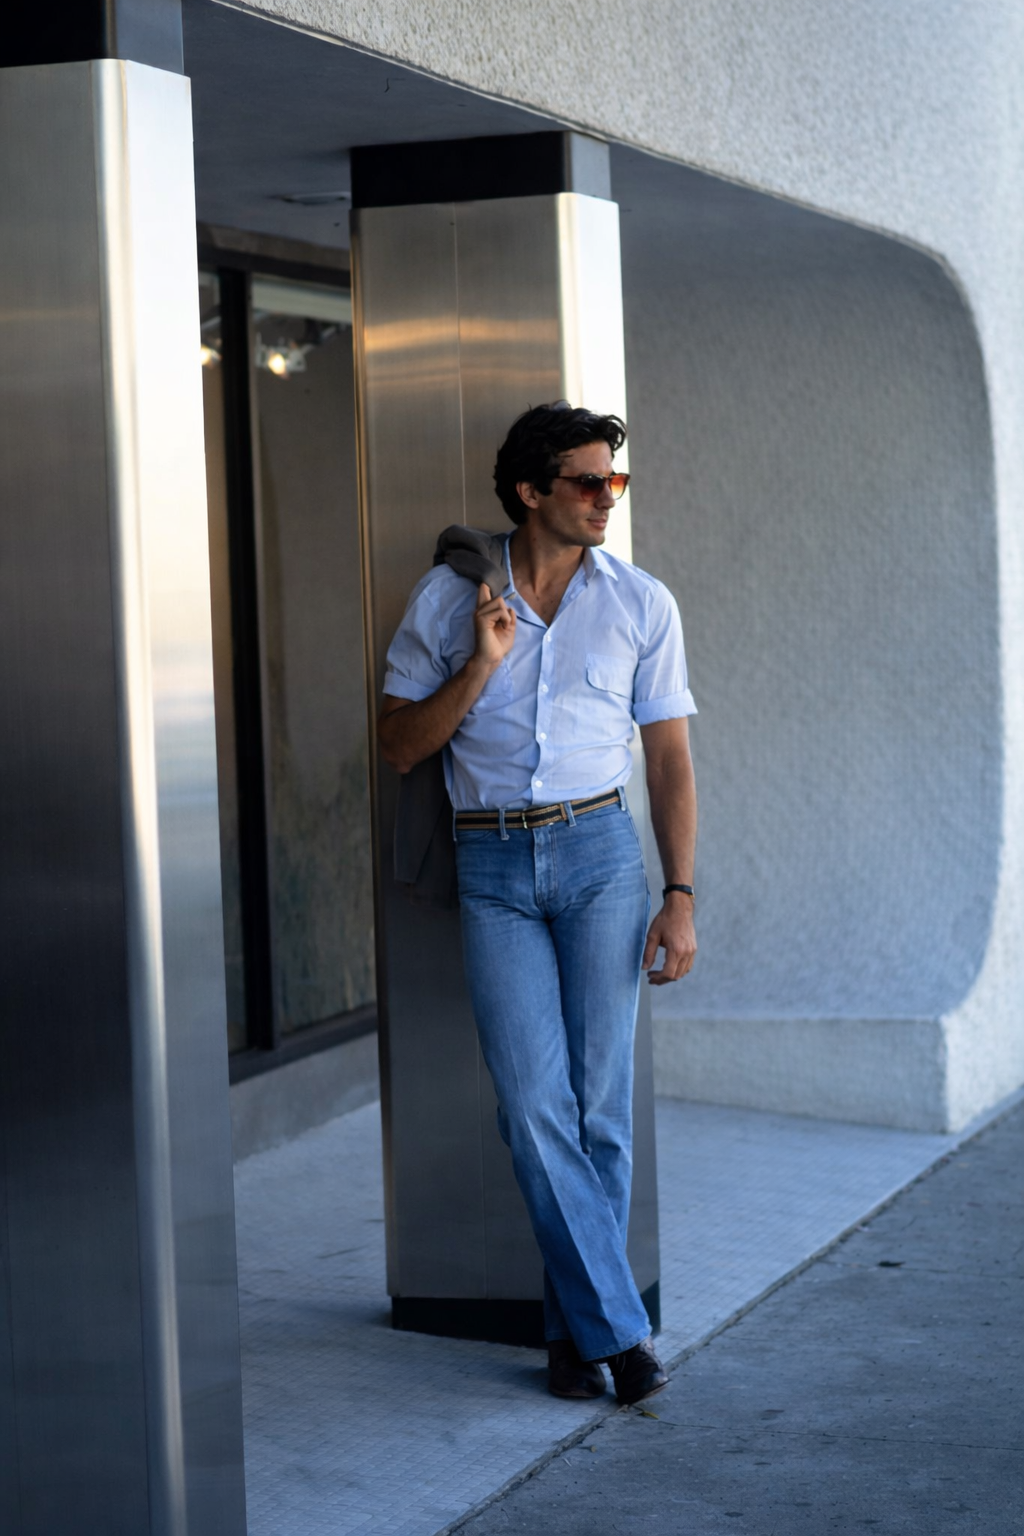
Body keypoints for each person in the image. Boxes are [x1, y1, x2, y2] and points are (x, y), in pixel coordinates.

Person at [377, 402, 698, 1405]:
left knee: (600, 1109)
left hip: (602, 856)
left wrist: (679, 894)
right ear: (529, 491)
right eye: (587, 481)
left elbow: (670, 760)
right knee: (531, 1108)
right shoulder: (448, 600)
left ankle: (576, 1338)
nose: (608, 498)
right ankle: (621, 1335)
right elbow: (397, 746)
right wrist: (482, 665)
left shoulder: (642, 603)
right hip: (492, 870)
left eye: (617, 482)